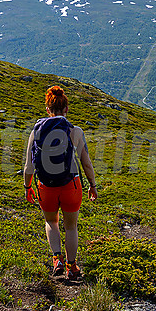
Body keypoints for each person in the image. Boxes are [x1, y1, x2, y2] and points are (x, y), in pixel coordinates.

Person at [24, 85, 98, 280]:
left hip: (45, 186)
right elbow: (86, 164)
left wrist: (28, 187)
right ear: (66, 109)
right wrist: (92, 185)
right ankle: (71, 266)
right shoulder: (75, 131)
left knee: (51, 221)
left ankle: (56, 259)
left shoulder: (36, 132)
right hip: (71, 185)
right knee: (71, 227)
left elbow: (28, 166)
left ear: (47, 110)